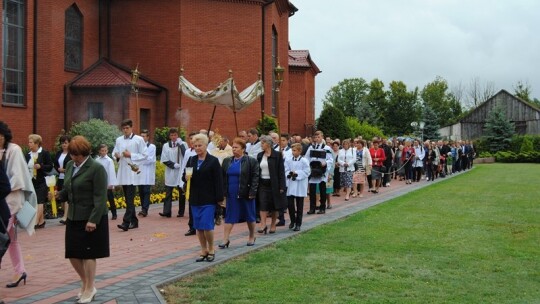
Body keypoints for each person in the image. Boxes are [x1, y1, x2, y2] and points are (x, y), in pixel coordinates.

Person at [55, 136, 109, 303]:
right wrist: (58, 195)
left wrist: (93, 220)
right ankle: (86, 283)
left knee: (88, 254)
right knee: (72, 253)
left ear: (84, 153)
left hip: (92, 217)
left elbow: (100, 197)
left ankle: (89, 287)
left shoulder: (96, 168)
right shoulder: (71, 165)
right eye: (71, 154)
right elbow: (68, 188)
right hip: (73, 216)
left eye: (76, 155)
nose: (73, 158)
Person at [0, 122, 37, 289]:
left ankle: (19, 270)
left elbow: (17, 178)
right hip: (2, 201)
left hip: (11, 201)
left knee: (6, 238)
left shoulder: (13, 150)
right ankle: (20, 270)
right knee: (10, 239)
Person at [182, 134, 224, 262]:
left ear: (206, 146)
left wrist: (220, 198)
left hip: (209, 198)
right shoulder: (191, 160)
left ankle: (211, 248)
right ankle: (203, 249)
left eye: (200, 145)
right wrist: (185, 177)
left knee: (207, 226)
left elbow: (219, 180)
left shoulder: (213, 161)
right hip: (195, 197)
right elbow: (185, 175)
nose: (197, 148)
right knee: (198, 226)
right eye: (195, 146)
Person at [219, 138, 259, 248]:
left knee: (249, 216)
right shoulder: (227, 161)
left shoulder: (251, 161)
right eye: (233, 147)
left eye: (236, 147)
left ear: (243, 149)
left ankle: (251, 236)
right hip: (231, 194)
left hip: (245, 192)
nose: (234, 149)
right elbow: (222, 177)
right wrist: (222, 194)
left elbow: (255, 177)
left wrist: (252, 192)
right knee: (229, 216)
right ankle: (225, 239)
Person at [113, 119, 148, 231]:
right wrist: (117, 155)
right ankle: (134, 221)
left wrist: (131, 155)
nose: (125, 130)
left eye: (127, 128)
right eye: (123, 128)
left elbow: (145, 155)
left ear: (131, 128)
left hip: (133, 173)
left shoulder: (139, 139)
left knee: (129, 198)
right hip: (123, 172)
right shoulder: (119, 140)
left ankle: (126, 222)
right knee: (128, 199)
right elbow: (114, 152)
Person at [256, 135, 286, 234]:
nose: (261, 145)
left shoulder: (277, 155)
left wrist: (282, 186)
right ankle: (263, 224)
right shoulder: (260, 155)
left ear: (268, 144)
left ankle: (273, 224)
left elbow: (281, 172)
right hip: (262, 183)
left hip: (274, 184)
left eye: (263, 143)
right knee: (262, 203)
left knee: (274, 205)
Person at [26, 134, 53, 228]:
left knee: (40, 201)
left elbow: (50, 166)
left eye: (31, 142)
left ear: (37, 143)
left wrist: (41, 166)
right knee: (34, 201)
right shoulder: (28, 154)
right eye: (29, 142)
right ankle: (41, 222)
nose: (29, 144)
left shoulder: (44, 153)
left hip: (41, 181)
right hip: (31, 181)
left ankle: (36, 222)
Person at [160, 128, 187, 218]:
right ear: (169, 136)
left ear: (177, 135)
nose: (173, 137)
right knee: (168, 192)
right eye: (171, 135)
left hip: (180, 171)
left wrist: (181, 145)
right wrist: (173, 164)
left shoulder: (183, 144)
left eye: (175, 135)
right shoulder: (166, 146)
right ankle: (167, 211)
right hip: (171, 171)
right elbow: (164, 158)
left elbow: (186, 154)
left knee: (181, 192)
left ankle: (181, 212)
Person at [305, 130, 334, 214]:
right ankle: (312, 208)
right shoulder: (311, 147)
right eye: (315, 137)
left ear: (322, 137)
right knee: (312, 190)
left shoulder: (326, 148)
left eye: (319, 137)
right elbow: (306, 158)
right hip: (313, 170)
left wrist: (325, 163)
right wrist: (308, 165)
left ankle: (322, 207)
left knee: (322, 189)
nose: (317, 138)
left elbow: (330, 159)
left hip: (322, 170)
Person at [284, 143, 310, 231]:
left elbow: (307, 171)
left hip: (300, 185)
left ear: (299, 151)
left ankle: (298, 223)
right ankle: (292, 221)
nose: (293, 152)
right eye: (292, 150)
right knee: (290, 204)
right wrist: (289, 173)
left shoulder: (304, 160)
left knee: (299, 205)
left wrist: (297, 173)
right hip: (291, 184)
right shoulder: (288, 160)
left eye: (294, 150)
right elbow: (286, 169)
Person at [180, 131, 198, 236]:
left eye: (194, 139)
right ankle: (192, 227)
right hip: (191, 183)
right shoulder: (188, 153)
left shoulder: (207, 152)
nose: (192, 141)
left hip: (202, 184)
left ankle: (200, 225)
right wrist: (184, 178)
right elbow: (187, 167)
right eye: (190, 139)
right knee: (191, 205)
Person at [96, 144, 118, 220]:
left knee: (110, 199)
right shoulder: (97, 160)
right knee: (101, 199)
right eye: (102, 151)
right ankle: (101, 213)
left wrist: (111, 184)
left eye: (105, 150)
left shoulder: (109, 160)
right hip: (99, 183)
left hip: (107, 183)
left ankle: (114, 214)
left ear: (107, 151)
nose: (104, 152)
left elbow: (111, 172)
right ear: (99, 151)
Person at [138, 129, 156, 217]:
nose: (142, 138)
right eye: (141, 136)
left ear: (148, 137)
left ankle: (145, 209)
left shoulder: (152, 147)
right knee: (141, 191)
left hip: (148, 172)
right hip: (139, 172)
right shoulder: (138, 146)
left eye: (144, 136)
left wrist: (140, 159)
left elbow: (150, 159)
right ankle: (143, 208)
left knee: (146, 191)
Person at [55, 135, 72, 224]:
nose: (64, 145)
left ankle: (66, 217)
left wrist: (65, 170)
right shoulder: (59, 153)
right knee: (61, 197)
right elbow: (55, 163)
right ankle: (66, 215)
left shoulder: (71, 154)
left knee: (67, 196)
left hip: (68, 177)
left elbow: (73, 166)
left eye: (65, 143)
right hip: (60, 177)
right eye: (62, 143)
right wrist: (58, 169)